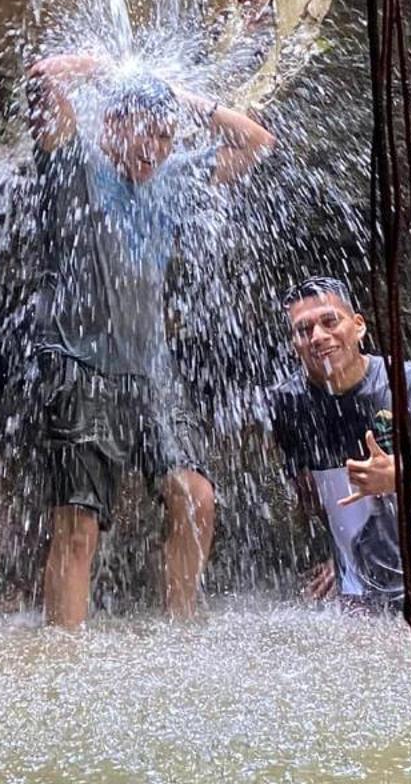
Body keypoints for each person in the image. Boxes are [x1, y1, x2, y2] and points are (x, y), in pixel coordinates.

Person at [27, 52, 275, 628]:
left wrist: (184, 100)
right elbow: (42, 77)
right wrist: (112, 71)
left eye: (166, 137)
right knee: (78, 524)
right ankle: (63, 662)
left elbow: (257, 142)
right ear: (111, 123)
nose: (156, 148)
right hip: (77, 365)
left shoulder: (172, 181)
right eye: (147, 132)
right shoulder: (74, 164)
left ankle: (180, 635)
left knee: (196, 497)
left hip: (153, 374)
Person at [267, 276, 411, 637]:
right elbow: (309, 497)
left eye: (330, 321)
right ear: (294, 344)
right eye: (304, 330)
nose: (318, 336)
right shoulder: (289, 403)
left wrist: (403, 480)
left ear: (358, 326)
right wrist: (335, 552)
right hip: (361, 586)